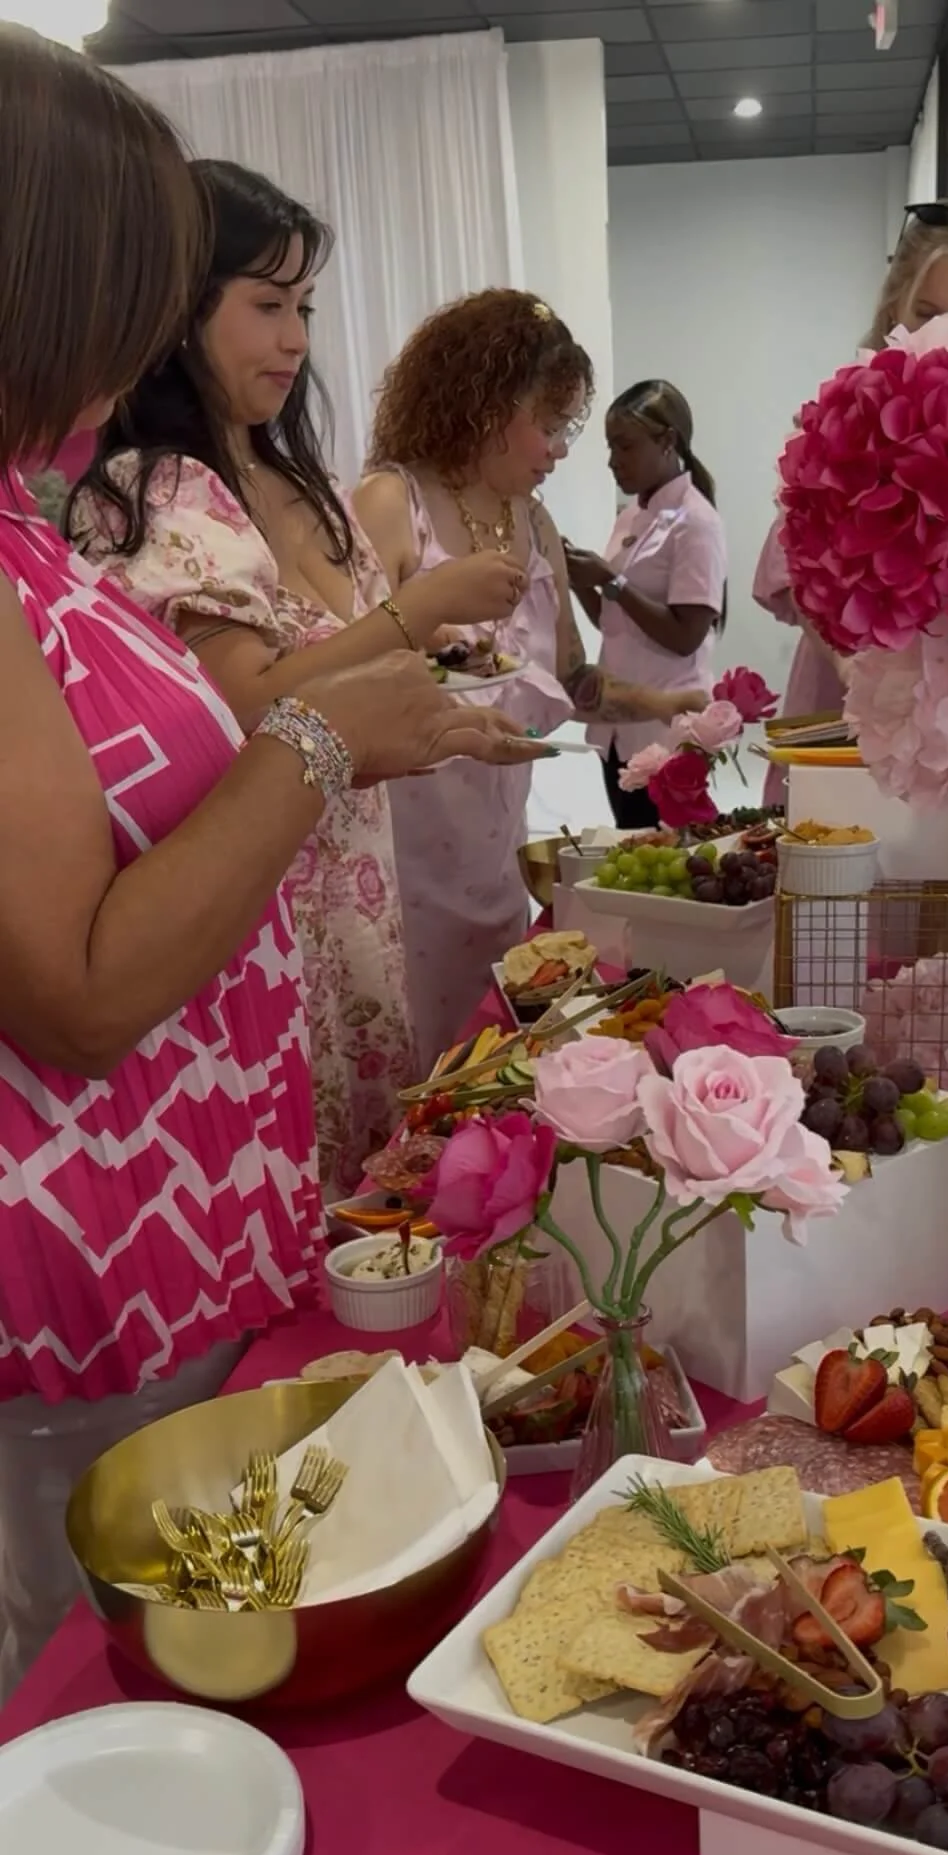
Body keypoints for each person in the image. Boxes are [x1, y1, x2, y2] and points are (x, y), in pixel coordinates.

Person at [0, 33, 545, 1700]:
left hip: (176, 1269)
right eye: (134, 291)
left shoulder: (28, 523)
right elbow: (79, 993)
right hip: (79, 1300)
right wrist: (324, 743)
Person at [71, 162, 527, 1196]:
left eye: (306, 308)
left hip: (354, 899)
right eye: (266, 305)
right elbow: (249, 703)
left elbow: (351, 672)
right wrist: (420, 607)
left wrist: (443, 701)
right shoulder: (159, 488)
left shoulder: (297, 479)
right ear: (175, 313)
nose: (295, 340)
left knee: (373, 1209)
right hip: (265, 917)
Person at [355, 295, 708, 1068]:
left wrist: (667, 704)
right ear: (482, 406)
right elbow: (345, 667)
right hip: (403, 850)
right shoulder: (391, 503)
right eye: (547, 426)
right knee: (411, 1054)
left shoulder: (534, 522)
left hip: (496, 850)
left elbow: (573, 678)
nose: (557, 451)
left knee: (483, 1056)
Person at [756, 201, 948, 804]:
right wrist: (857, 671)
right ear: (894, 306)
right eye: (925, 313)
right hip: (853, 691)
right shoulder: (845, 418)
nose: (942, 333)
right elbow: (796, 570)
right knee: (836, 879)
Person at [563, 380, 727, 831]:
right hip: (618, 727)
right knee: (631, 843)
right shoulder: (631, 517)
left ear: (667, 441)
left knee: (666, 859)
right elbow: (615, 625)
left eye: (626, 446)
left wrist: (611, 581)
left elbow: (684, 636)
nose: (614, 461)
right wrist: (582, 583)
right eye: (610, 447)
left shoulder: (697, 522)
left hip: (666, 731)